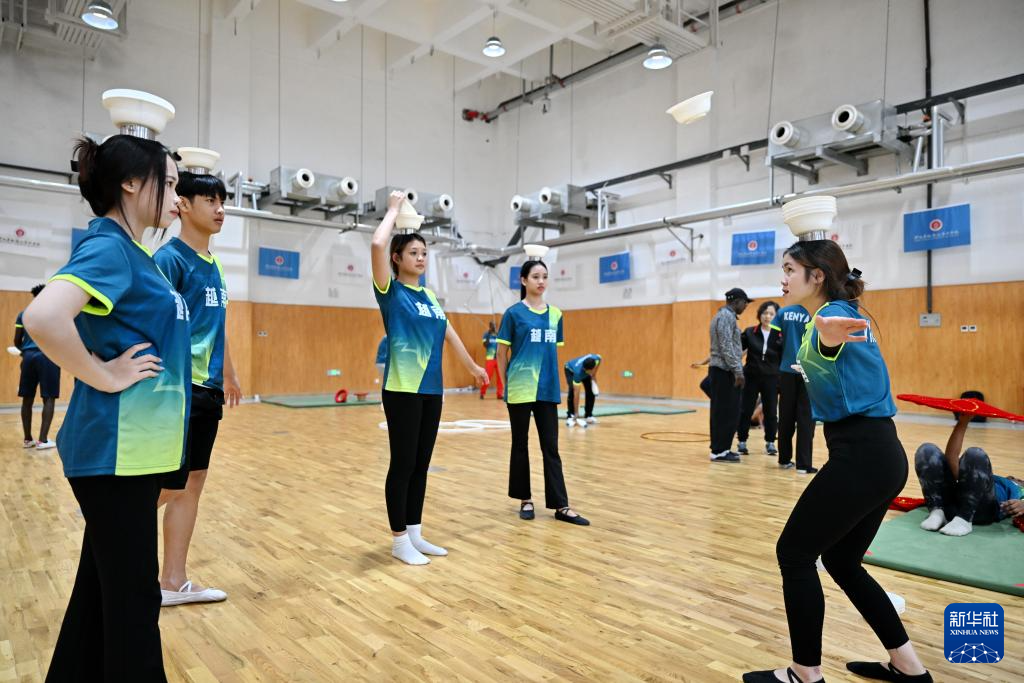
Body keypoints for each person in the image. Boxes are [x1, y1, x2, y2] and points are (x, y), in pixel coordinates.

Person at [25, 135, 188, 681]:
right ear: (131, 183)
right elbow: (43, 317)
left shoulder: (136, 253)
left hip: (133, 453)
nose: (177, 197)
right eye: (169, 183)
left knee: (99, 594)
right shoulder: (110, 248)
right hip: (115, 452)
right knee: (134, 602)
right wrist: (104, 374)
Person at [744, 240, 932, 683]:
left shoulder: (834, 319)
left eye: (789, 269)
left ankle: (804, 674)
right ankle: (909, 667)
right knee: (842, 561)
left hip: (863, 458)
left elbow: (832, 343)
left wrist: (827, 340)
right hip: (881, 456)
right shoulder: (834, 314)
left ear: (817, 276)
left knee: (794, 553)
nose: (782, 279)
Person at [371, 190, 487, 565]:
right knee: (402, 464)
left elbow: (448, 332)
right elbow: (377, 243)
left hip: (431, 391)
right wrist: (393, 210)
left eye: (424, 253)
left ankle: (415, 533)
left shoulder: (430, 297)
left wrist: (472, 367)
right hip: (402, 390)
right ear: (397, 258)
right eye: (413, 253)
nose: (421, 258)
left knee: (421, 464)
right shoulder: (391, 292)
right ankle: (398, 540)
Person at [154, 171, 242, 606]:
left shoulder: (214, 264)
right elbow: (153, 322)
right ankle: (110, 517)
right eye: (210, 200)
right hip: (178, 389)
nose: (220, 209)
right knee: (169, 485)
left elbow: (216, 326)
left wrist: (230, 373)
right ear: (183, 205)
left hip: (207, 388)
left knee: (193, 481)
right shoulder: (169, 259)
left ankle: (173, 580)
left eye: (222, 201)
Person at [496, 260, 589, 526]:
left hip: (547, 389)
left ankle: (561, 505)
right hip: (520, 388)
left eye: (545, 276)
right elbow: (501, 353)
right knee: (520, 444)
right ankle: (525, 499)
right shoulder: (513, 314)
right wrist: (506, 385)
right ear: (524, 280)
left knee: (551, 447)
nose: (541, 281)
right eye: (536, 276)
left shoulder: (556, 315)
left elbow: (550, 353)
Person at [915, 413, 1024, 536]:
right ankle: (937, 512)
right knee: (927, 450)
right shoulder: (991, 478)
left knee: (975, 454)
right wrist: (963, 422)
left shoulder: (1019, 491)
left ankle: (964, 520)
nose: (1017, 478)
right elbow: (952, 460)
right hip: (954, 502)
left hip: (983, 509)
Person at [707, 287, 751, 463]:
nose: (746, 306)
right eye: (745, 303)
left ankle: (721, 449)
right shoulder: (726, 317)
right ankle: (719, 450)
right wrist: (738, 371)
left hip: (723, 370)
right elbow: (726, 347)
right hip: (725, 372)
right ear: (737, 301)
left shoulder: (723, 316)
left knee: (724, 412)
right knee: (726, 412)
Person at [14, 284, 60, 450]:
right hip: (48, 357)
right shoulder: (55, 314)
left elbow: (16, 341)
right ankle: (43, 440)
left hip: (28, 357)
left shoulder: (23, 314)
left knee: (27, 399)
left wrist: (25, 353)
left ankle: (28, 439)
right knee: (49, 398)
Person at [772, 303, 815, 473]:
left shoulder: (783, 312)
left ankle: (784, 460)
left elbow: (773, 343)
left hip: (786, 371)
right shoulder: (816, 312)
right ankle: (803, 465)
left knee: (785, 416)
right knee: (806, 419)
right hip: (809, 370)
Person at [737, 301, 782, 456]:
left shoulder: (780, 335)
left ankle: (770, 442)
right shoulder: (750, 332)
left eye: (771, 314)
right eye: (765, 313)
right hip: (751, 377)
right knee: (746, 410)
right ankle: (742, 441)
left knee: (771, 412)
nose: (767, 316)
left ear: (776, 316)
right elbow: (737, 349)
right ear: (760, 315)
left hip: (771, 379)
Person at [564, 353, 601, 428]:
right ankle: (571, 415)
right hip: (570, 370)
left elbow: (600, 357)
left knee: (590, 390)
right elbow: (576, 394)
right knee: (572, 391)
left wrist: (593, 375)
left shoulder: (596, 359)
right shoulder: (578, 373)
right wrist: (576, 412)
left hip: (586, 370)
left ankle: (588, 415)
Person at [480, 321, 503, 399]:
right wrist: (489, 335)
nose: (493, 327)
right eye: (492, 326)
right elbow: (485, 345)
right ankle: (482, 393)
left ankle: (499, 394)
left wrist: (498, 335)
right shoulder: (486, 334)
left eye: (494, 326)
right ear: (490, 326)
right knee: (487, 376)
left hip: (498, 359)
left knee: (500, 377)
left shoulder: (498, 335)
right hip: (490, 359)